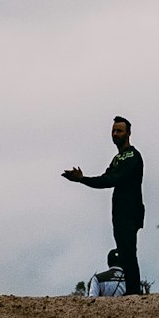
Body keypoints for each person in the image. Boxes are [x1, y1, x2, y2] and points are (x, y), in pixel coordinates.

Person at [62, 117, 145, 295]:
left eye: (119, 131)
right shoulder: (118, 158)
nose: (115, 134)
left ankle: (133, 293)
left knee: (128, 252)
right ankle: (132, 293)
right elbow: (105, 178)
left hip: (129, 211)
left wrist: (82, 179)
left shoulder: (132, 156)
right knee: (125, 250)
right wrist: (82, 179)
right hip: (120, 211)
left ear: (128, 133)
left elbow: (110, 180)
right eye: (113, 131)